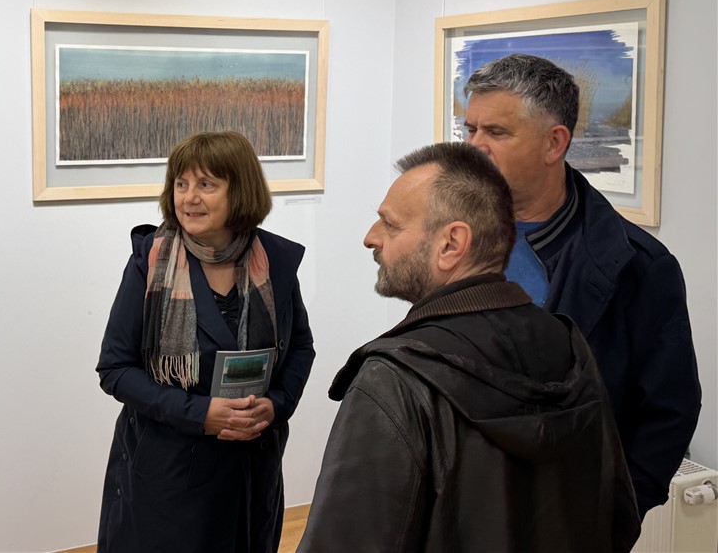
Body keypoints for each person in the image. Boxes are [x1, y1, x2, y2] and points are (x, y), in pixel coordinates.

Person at [298, 142, 640, 553]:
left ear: (451, 244)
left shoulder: (393, 380)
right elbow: (618, 517)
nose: (371, 238)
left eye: (390, 224)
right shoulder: (568, 347)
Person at [463, 53, 701, 518]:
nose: (475, 147)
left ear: (554, 143)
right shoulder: (455, 236)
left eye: (496, 132)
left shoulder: (638, 266)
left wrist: (614, 516)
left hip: (564, 516)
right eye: (470, 129)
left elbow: (669, 410)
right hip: (461, 503)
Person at [96, 130, 316, 553]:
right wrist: (200, 414)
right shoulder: (150, 261)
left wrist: (277, 404)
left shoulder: (276, 261)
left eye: (206, 184)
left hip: (252, 466)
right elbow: (115, 369)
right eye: (181, 184)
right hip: (169, 474)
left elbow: (301, 348)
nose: (189, 198)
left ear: (241, 190)